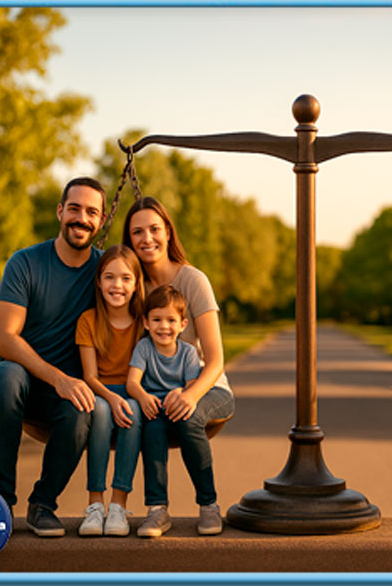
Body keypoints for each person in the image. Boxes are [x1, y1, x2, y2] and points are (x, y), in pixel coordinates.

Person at [0, 177, 106, 537]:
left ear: (100, 221)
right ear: (60, 211)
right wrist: (58, 378)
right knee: (5, 376)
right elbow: (4, 338)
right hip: (23, 383)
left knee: (85, 403)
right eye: (75, 208)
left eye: (91, 212)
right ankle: (0, 500)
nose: (82, 218)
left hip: (67, 396)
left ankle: (43, 504)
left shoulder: (104, 272)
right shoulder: (25, 263)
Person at [122, 196, 234, 536]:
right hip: (157, 392)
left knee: (189, 416)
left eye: (155, 229)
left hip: (207, 385)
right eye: (137, 232)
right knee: (151, 422)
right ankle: (157, 510)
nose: (147, 238)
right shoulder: (131, 284)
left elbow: (214, 360)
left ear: (168, 232)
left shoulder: (194, 281)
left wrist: (189, 395)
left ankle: (209, 505)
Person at [127, 285, 233, 537]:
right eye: (157, 320)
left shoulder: (187, 352)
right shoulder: (144, 348)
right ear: (146, 322)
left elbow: (190, 386)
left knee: (188, 421)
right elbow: (132, 381)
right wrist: (142, 396)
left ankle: (208, 504)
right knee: (152, 432)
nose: (164, 326)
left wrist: (181, 394)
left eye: (171, 320)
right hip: (155, 407)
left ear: (183, 324)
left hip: (180, 403)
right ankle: (157, 509)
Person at [75, 245, 145, 537]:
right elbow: (89, 376)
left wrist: (127, 398)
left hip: (132, 391)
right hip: (101, 390)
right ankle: (95, 505)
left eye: (126, 278)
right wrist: (112, 397)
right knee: (101, 411)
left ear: (136, 283)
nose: (117, 285)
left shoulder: (144, 323)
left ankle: (118, 505)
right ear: (99, 282)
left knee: (134, 409)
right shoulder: (89, 321)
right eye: (109, 277)